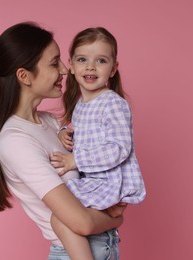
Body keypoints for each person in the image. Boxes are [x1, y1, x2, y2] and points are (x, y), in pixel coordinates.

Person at [0, 22, 126, 260]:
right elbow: (82, 223)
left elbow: (96, 174)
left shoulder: (53, 123)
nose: (65, 70)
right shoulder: (15, 141)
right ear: (25, 76)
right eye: (54, 63)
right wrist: (116, 217)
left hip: (105, 246)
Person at [49, 27, 146, 258]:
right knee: (62, 213)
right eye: (82, 59)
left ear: (113, 69)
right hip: (93, 182)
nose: (90, 67)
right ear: (71, 65)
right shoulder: (81, 105)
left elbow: (119, 148)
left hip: (107, 181)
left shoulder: (113, 103)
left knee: (61, 216)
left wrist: (75, 160)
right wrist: (64, 131)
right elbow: (86, 132)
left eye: (101, 61)